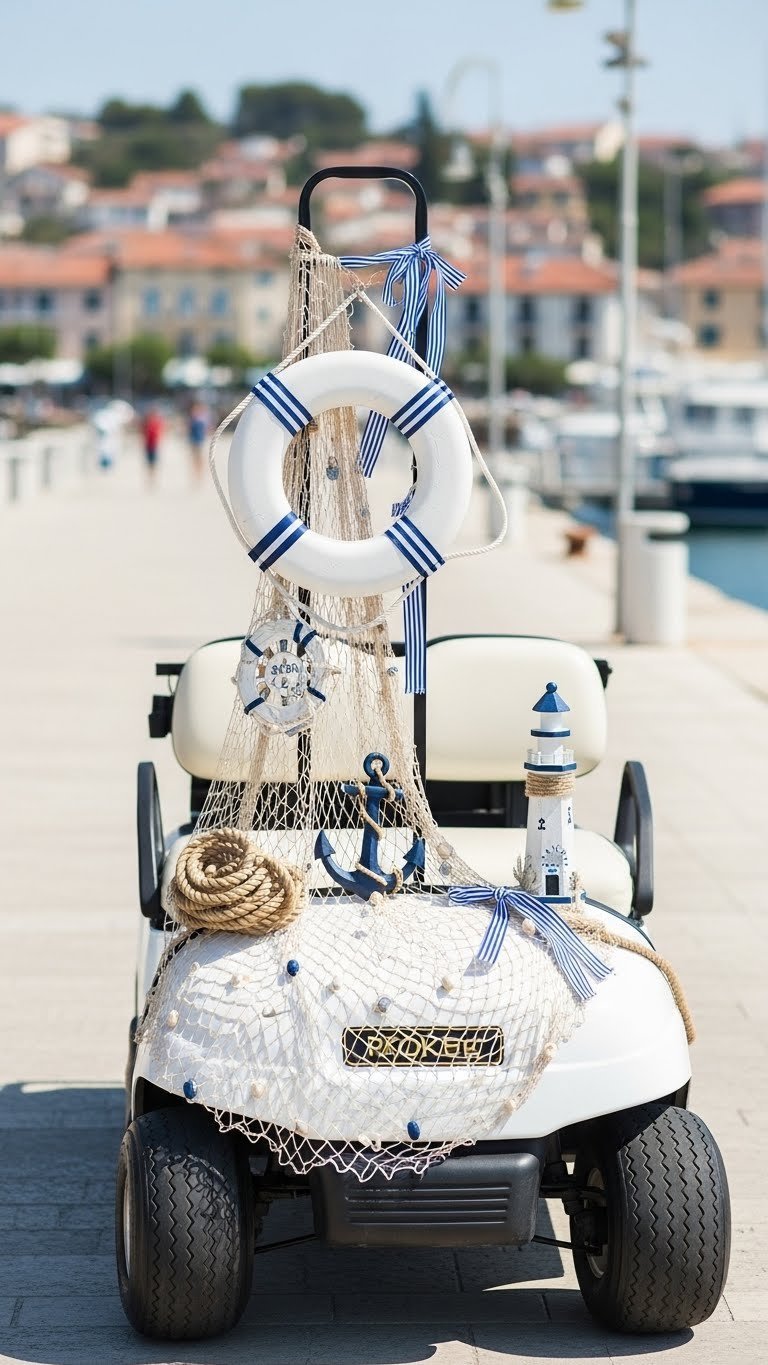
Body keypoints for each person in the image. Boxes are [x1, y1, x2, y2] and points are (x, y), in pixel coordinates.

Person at [186, 401, 209, 481]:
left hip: (199, 441)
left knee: (199, 458)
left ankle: (199, 474)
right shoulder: (192, 419)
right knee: (195, 458)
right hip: (193, 441)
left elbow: (205, 430)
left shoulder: (201, 419)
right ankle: (196, 473)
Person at [140, 407, 164, 482]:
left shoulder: (157, 422)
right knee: (149, 462)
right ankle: (150, 477)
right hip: (148, 445)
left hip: (154, 445)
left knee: (154, 462)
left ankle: (153, 477)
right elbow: (144, 433)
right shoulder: (147, 423)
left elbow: (160, 433)